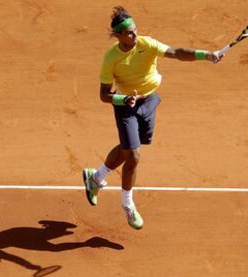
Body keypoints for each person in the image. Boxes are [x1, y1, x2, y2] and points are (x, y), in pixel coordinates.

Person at [82, 6, 223, 230]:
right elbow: (104, 95)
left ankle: (96, 178)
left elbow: (176, 53)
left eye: (135, 29)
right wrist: (123, 99)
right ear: (118, 35)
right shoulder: (111, 58)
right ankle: (127, 205)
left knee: (130, 147)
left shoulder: (146, 44)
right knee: (134, 156)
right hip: (126, 104)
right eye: (128, 32)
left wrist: (206, 55)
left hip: (149, 101)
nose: (134, 34)